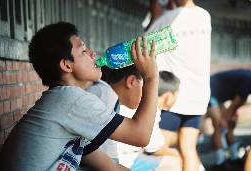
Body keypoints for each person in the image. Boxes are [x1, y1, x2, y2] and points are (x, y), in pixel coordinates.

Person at [0, 22, 159, 171]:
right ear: (66, 65)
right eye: (83, 50)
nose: (93, 54)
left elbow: (110, 167)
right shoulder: (70, 100)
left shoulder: (65, 101)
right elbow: (140, 136)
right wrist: (151, 77)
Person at [145, 0, 212, 170]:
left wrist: (156, 14)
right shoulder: (205, 16)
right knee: (189, 148)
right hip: (199, 95)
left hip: (172, 95)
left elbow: (145, 41)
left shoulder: (167, 18)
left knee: (162, 148)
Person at [86, 68, 182, 171]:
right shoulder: (105, 94)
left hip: (110, 161)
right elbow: (146, 141)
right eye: (144, 85)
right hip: (121, 160)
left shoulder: (106, 94)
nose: (145, 93)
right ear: (131, 81)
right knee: (174, 162)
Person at [205, 69, 251, 171]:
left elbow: (241, 99)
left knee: (229, 124)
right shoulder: (249, 78)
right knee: (219, 125)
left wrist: (231, 115)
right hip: (210, 91)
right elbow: (237, 100)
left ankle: (233, 158)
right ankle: (219, 162)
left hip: (219, 97)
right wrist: (225, 118)